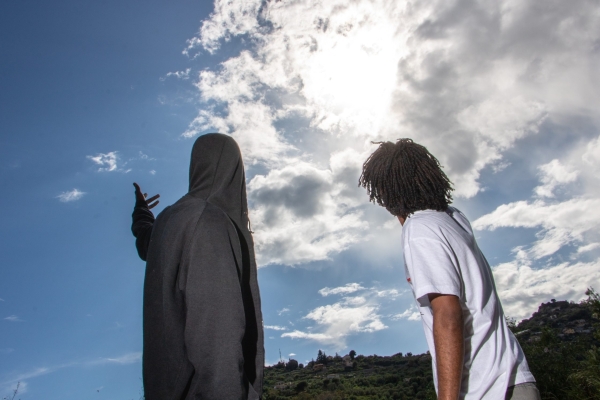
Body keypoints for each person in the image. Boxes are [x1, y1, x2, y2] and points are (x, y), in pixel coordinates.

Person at [359, 139, 539, 400]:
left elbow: (448, 313)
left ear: (387, 192)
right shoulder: (453, 218)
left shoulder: (419, 229)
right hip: (514, 377)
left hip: (489, 388)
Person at [131, 133, 264, 400]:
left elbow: (145, 239)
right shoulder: (208, 223)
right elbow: (217, 341)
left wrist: (141, 211)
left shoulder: (169, 221)